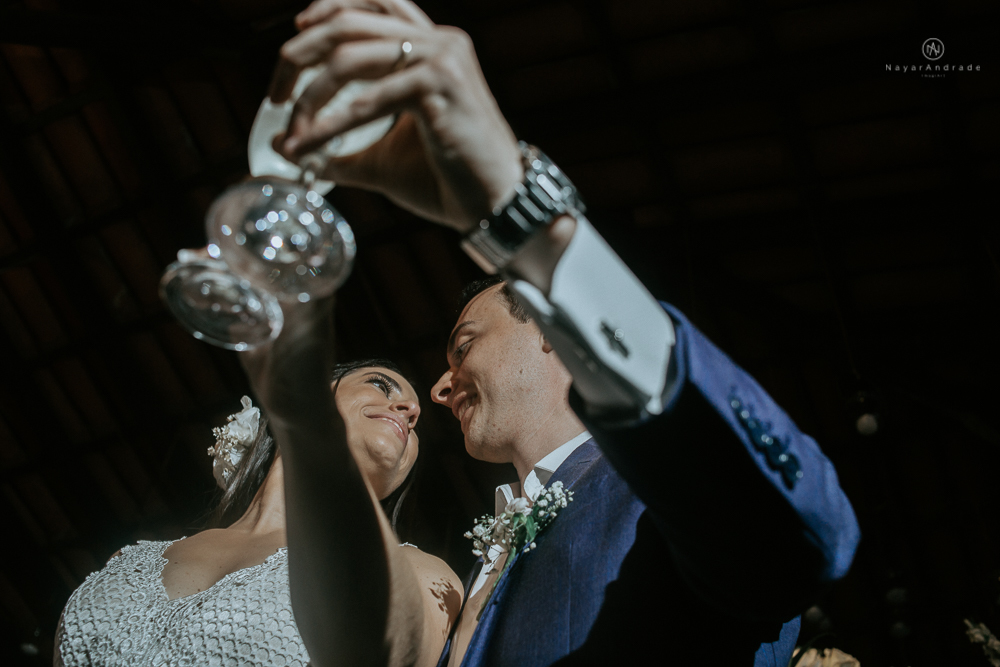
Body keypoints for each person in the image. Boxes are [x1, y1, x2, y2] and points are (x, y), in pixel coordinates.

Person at [268, 0, 861, 665]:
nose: (436, 389)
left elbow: (801, 535)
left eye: (464, 345)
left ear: (550, 331)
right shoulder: (469, 570)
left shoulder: (659, 492)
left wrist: (521, 211)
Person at [54, 304, 463, 667]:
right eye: (380, 385)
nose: (410, 410)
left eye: (415, 422)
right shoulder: (128, 560)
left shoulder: (420, 572)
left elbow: (398, 655)